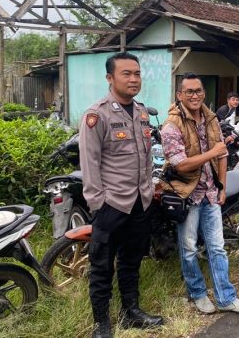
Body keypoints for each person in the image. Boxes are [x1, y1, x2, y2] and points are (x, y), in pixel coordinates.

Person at [79, 52, 164, 338]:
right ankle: (101, 324)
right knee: (102, 266)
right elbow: (89, 164)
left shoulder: (141, 112)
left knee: (131, 261)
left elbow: (148, 156)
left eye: (137, 73)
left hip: (140, 202)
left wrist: (150, 188)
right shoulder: (96, 115)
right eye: (126, 73)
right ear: (110, 78)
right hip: (112, 205)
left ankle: (132, 313)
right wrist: (97, 204)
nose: (133, 79)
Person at [161, 73, 239, 316]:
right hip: (187, 193)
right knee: (189, 248)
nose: (194, 95)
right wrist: (213, 151)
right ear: (179, 95)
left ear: (204, 93)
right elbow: (181, 165)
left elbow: (223, 154)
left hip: (211, 193)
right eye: (189, 91)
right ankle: (197, 294)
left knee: (217, 248)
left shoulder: (211, 117)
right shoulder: (171, 125)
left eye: (198, 91)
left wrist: (222, 186)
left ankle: (227, 298)